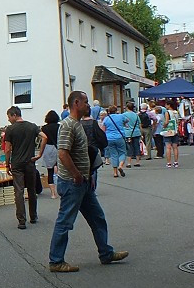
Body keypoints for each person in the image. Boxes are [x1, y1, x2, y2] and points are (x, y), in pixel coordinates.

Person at [47, 92, 128, 273]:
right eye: (85, 102)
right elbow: (62, 153)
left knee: (97, 217)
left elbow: (80, 153)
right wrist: (76, 175)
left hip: (83, 182)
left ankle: (106, 253)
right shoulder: (68, 125)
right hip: (73, 183)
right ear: (76, 103)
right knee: (65, 221)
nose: (88, 105)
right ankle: (56, 261)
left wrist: (88, 175)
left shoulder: (76, 124)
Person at [2, 106, 40, 229]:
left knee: (19, 191)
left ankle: (21, 221)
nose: (8, 120)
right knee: (31, 189)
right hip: (30, 162)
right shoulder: (32, 126)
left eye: (9, 117)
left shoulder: (10, 129)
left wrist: (7, 164)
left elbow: (7, 149)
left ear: (14, 115)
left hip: (17, 163)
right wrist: (39, 154)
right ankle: (33, 216)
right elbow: (44, 136)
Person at [102, 104, 130, 177]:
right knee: (122, 152)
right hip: (119, 137)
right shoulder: (120, 116)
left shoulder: (106, 118)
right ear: (116, 111)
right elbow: (127, 120)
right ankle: (120, 166)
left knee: (113, 154)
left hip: (109, 138)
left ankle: (115, 173)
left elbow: (103, 129)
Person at [39, 110, 60, 199]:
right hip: (58, 148)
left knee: (50, 171)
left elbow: (43, 140)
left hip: (48, 148)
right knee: (61, 169)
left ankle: (53, 193)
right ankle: (62, 190)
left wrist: (40, 152)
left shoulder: (44, 128)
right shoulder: (60, 127)